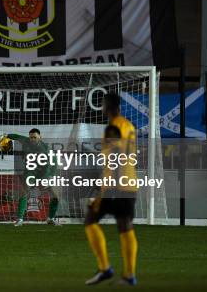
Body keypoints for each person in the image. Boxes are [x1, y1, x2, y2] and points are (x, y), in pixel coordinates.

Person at [84, 93, 138, 286]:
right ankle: (129, 275)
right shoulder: (128, 125)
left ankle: (105, 268)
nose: (101, 106)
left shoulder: (113, 127)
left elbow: (114, 158)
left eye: (102, 103)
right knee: (125, 226)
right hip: (129, 184)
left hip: (116, 186)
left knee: (91, 220)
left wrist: (104, 191)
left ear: (107, 106)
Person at [2, 128, 60, 226]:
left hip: (44, 173)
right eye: (31, 137)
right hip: (30, 173)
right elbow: (16, 136)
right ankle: (20, 219)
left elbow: (54, 163)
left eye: (35, 137)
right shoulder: (26, 141)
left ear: (40, 137)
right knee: (24, 193)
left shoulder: (46, 148)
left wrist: (50, 177)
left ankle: (50, 218)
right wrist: (6, 136)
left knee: (56, 196)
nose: (32, 139)